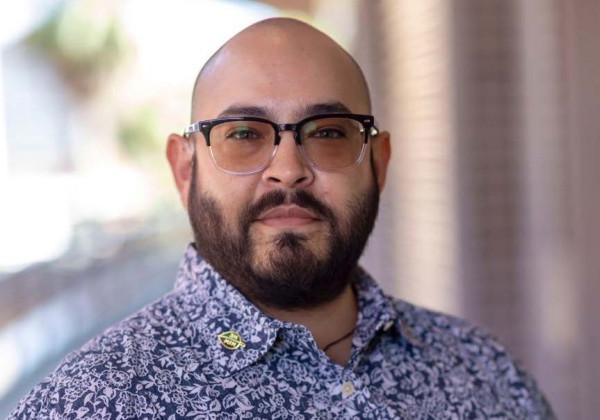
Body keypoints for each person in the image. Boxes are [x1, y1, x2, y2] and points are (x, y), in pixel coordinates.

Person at [10, 18, 554, 419]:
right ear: (184, 170)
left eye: (328, 132)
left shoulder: (485, 371)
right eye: (245, 134)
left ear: (379, 163)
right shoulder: (89, 403)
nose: (289, 170)